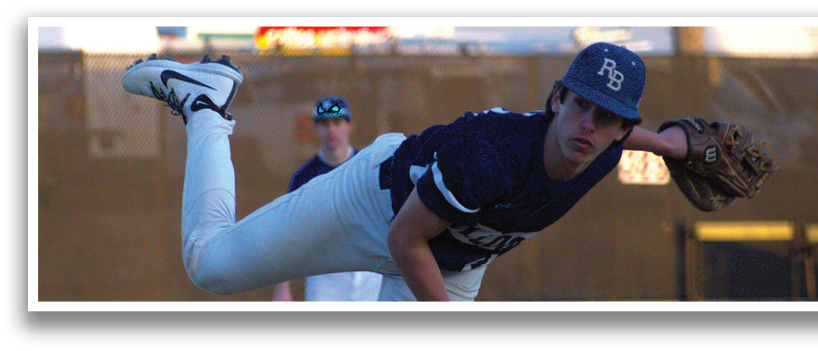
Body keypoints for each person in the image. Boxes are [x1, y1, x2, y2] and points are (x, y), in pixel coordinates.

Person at [121, 43, 689, 301]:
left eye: (606, 116)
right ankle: (205, 105)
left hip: (459, 255)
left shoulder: (605, 147)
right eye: (580, 105)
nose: (588, 124)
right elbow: (404, 238)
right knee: (210, 265)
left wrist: (673, 143)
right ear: (556, 98)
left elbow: (632, 133)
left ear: (621, 130)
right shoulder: (491, 156)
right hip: (378, 206)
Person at [271, 96, 383, 301]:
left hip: (370, 272)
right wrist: (282, 288)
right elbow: (287, 231)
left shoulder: (368, 166)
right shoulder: (304, 177)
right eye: (324, 124)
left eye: (337, 122)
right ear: (316, 128)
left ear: (350, 126)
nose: (331, 130)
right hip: (326, 275)